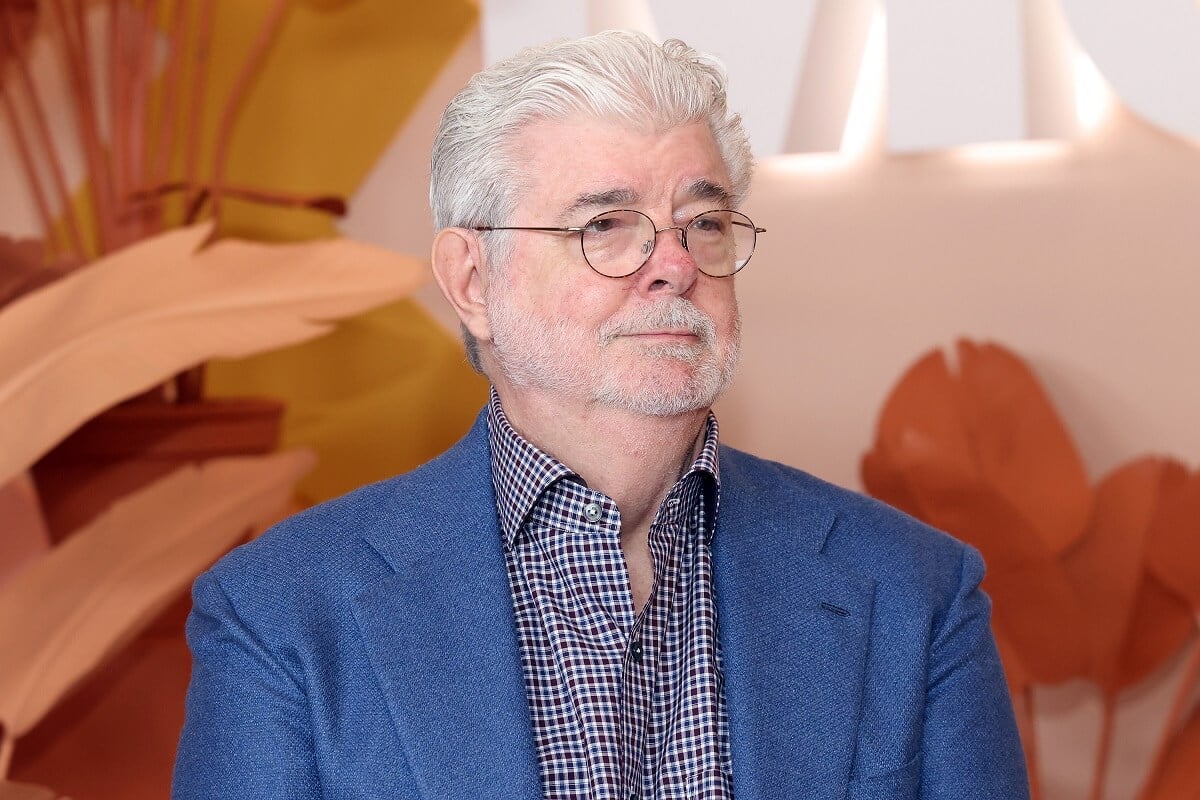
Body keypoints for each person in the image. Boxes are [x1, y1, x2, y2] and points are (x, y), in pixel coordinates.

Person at [173, 30, 1029, 800]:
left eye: (703, 222)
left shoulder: (915, 592)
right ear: (472, 281)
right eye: (607, 224)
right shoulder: (281, 615)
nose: (674, 265)